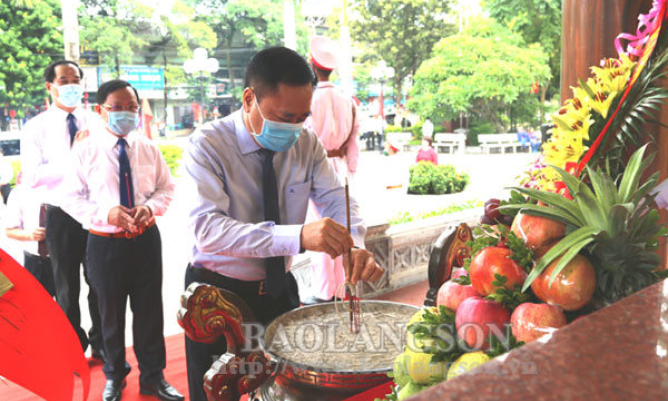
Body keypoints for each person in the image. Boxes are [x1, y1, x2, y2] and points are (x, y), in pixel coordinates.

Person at [183, 46, 384, 401]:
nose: (293, 128)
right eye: (284, 116)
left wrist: (355, 243)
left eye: (302, 117)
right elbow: (208, 230)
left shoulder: (306, 143)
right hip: (218, 295)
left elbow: (336, 198)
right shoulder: (209, 145)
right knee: (215, 391)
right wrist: (298, 236)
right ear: (249, 99)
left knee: (284, 390)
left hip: (278, 288)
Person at [61, 80, 181, 401]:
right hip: (105, 243)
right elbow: (70, 198)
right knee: (109, 313)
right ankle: (115, 376)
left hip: (145, 241)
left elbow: (166, 188)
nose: (126, 113)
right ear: (101, 111)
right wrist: (106, 214)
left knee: (149, 311)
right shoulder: (85, 150)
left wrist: (149, 208)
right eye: (117, 107)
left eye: (132, 107)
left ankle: (154, 377)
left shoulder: (148, 148)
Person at [19, 59, 104, 359]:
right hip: (60, 214)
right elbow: (31, 175)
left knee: (100, 283)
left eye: (76, 80)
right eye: (64, 80)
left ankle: (103, 347)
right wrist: (73, 157)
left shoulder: (96, 121)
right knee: (66, 288)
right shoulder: (36, 127)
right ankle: (72, 348)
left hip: (96, 212)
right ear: (50, 86)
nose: (71, 86)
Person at [304, 35, 361, 303]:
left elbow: (302, 140)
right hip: (340, 169)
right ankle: (345, 287)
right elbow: (354, 140)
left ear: (312, 66)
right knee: (344, 228)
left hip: (316, 169)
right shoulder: (347, 100)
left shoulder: (308, 100)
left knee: (321, 233)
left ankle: (325, 292)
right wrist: (349, 168)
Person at [4, 184, 55, 296]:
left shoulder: (64, 187)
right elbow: (9, 231)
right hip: (35, 261)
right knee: (38, 304)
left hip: (63, 261)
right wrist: (30, 235)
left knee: (66, 306)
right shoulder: (20, 192)